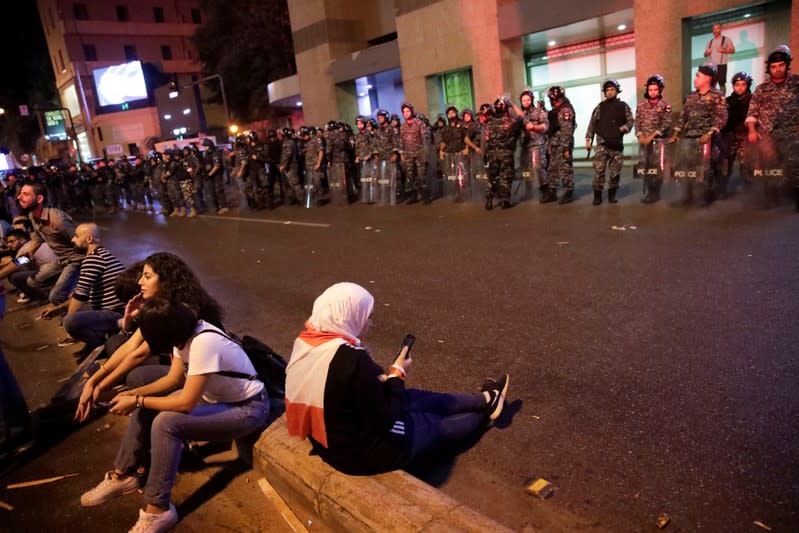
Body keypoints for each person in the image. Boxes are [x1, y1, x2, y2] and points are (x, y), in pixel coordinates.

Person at [79, 298, 269, 533]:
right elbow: (173, 379)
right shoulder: (183, 333)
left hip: (248, 408)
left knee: (166, 423)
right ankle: (124, 475)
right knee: (149, 406)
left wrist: (137, 399)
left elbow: (186, 403)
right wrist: (134, 395)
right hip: (214, 398)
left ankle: (158, 509)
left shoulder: (203, 342)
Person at [285, 282, 509, 475]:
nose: (369, 324)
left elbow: (356, 393)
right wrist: (399, 372)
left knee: (416, 398)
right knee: (432, 425)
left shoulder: (307, 342)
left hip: (334, 440)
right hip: (362, 451)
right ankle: (484, 415)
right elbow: (387, 418)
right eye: (367, 317)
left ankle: (488, 398)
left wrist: (392, 379)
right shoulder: (352, 360)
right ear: (349, 315)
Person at [75, 252, 224, 423]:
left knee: (137, 376)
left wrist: (103, 387)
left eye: (147, 276)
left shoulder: (181, 310)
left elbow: (141, 356)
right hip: (179, 366)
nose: (140, 282)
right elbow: (131, 346)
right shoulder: (166, 302)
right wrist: (94, 382)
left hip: (201, 377)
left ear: (165, 280)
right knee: (116, 344)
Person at [40, 223, 125, 356]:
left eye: (76, 236)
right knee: (70, 306)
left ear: (89, 239)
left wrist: (69, 327)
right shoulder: (101, 255)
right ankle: (98, 338)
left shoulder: (93, 260)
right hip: (109, 308)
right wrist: (58, 309)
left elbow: (80, 295)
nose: (73, 240)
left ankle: (98, 344)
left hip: (116, 313)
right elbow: (82, 294)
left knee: (69, 321)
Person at [745, 45, 799, 211]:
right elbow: (752, 113)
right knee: (770, 167)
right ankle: (771, 197)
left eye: (781, 65)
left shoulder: (796, 83)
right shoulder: (762, 89)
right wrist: (752, 131)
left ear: (787, 64)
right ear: (769, 68)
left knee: (795, 166)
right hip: (768, 135)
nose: (778, 70)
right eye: (774, 67)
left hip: (792, 134)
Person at [669, 63, 727, 206]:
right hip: (690, 138)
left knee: (706, 168)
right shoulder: (691, 96)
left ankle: (705, 197)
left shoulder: (717, 96)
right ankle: (687, 196)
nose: (695, 78)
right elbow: (683, 117)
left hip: (708, 138)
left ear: (707, 78)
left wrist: (709, 133)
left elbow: (722, 117)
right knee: (688, 167)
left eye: (698, 76)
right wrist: (676, 133)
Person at [16, 182, 83, 304]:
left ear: (39, 198)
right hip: (62, 260)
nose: (19, 197)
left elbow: (82, 242)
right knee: (32, 282)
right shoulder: (33, 215)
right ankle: (67, 297)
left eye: (25, 194)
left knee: (54, 297)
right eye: (20, 194)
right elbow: (38, 236)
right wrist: (29, 252)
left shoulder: (57, 219)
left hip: (75, 261)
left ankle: (73, 302)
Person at [586, 80, 634, 205]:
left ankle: (612, 194)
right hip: (602, 144)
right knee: (599, 171)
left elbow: (630, 121)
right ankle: (597, 195)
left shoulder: (623, 106)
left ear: (617, 90)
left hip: (616, 144)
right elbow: (592, 124)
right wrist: (588, 139)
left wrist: (622, 129)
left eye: (612, 89)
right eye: (607, 90)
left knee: (615, 172)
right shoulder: (600, 107)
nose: (609, 92)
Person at [634, 74, 673, 204]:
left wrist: (652, 135)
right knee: (647, 167)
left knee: (657, 168)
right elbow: (637, 122)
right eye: (650, 90)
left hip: (658, 142)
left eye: (655, 89)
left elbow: (667, 123)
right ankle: (650, 192)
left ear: (660, 90)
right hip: (644, 142)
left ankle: (655, 193)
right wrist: (640, 135)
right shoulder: (641, 106)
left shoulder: (665, 105)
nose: (652, 92)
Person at [483, 97, 522, 210]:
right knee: (506, 176)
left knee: (492, 177)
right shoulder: (509, 120)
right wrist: (512, 103)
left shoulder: (489, 121)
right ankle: (505, 201)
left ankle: (489, 200)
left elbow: (487, 137)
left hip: (492, 153)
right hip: (506, 152)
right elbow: (520, 116)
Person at [3, 228, 59, 303]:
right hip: (56, 270)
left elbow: (11, 268)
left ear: (22, 240)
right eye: (8, 242)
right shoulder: (33, 243)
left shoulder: (25, 249)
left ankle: (42, 297)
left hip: (54, 274)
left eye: (12, 241)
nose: (9, 244)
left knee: (13, 276)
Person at [721, 71, 753, 197]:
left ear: (747, 85)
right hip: (729, 137)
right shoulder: (728, 101)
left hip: (744, 138)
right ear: (733, 86)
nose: (740, 87)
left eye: (743, 84)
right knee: (725, 164)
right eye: (737, 84)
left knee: (746, 164)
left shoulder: (753, 101)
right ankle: (722, 190)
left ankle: (750, 192)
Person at [547, 86, 577, 204]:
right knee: (552, 168)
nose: (551, 100)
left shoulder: (565, 109)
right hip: (554, 143)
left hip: (563, 143)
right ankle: (552, 192)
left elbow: (567, 129)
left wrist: (566, 148)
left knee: (565, 168)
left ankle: (569, 191)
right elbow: (552, 129)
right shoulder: (556, 109)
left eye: (552, 98)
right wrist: (550, 145)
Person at [399, 103, 430, 204]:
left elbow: (425, 139)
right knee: (410, 176)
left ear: (411, 111)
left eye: (408, 111)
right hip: (408, 154)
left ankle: (426, 196)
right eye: (404, 112)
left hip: (419, 153)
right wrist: (402, 154)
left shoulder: (419, 123)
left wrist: (425, 153)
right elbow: (401, 141)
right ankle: (414, 196)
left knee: (422, 175)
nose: (406, 113)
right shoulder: (402, 127)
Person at [704, 23, 735, 94]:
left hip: (722, 64)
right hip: (712, 66)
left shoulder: (726, 39)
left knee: (721, 83)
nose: (715, 30)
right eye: (713, 29)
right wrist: (707, 52)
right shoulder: (710, 42)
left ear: (720, 29)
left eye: (717, 28)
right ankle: (713, 100)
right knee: (712, 84)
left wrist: (724, 50)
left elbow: (733, 50)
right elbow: (705, 54)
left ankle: (722, 100)